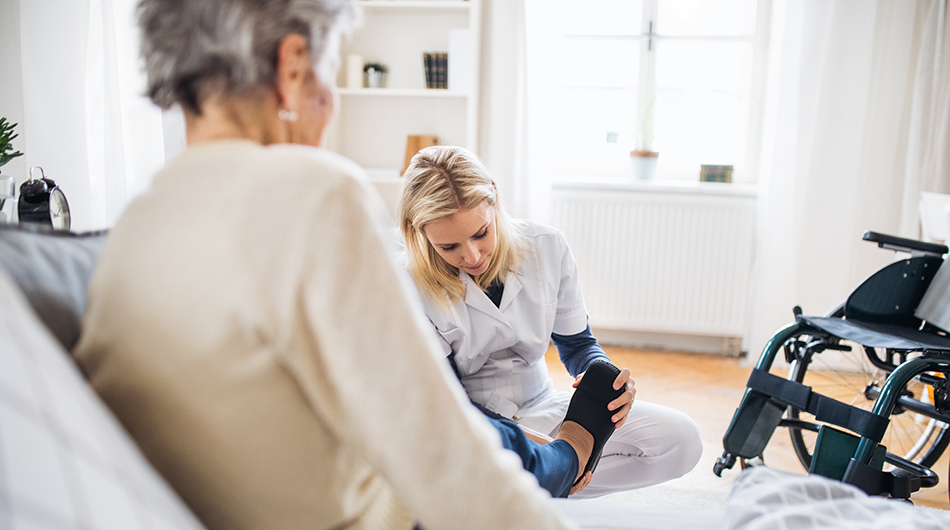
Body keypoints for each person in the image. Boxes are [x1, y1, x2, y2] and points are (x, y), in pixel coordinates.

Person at [72, 1, 599, 529]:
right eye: (331, 71)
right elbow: (438, 446)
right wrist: (565, 459)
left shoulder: (132, 229)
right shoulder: (315, 194)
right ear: (294, 67)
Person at [397, 145, 705, 498]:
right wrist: (547, 451)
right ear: (420, 234)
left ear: (494, 200)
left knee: (682, 440)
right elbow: (447, 398)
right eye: (449, 247)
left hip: (544, 405)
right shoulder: (405, 283)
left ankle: (544, 486)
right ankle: (545, 480)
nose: (472, 255)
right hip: (472, 424)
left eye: (481, 233)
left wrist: (604, 379)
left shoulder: (546, 247)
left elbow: (578, 345)